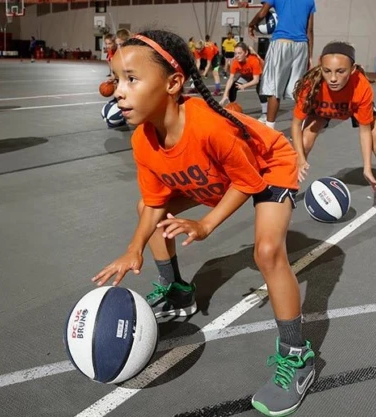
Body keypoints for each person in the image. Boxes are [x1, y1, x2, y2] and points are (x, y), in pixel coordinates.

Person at [92, 29, 315, 417]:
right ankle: (179, 292)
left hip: (268, 165)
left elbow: (248, 182)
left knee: (266, 252)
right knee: (147, 208)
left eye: (131, 78)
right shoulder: (143, 140)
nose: (118, 91)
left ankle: (298, 358)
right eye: (116, 78)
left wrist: (206, 225)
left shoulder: (209, 125)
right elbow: (154, 203)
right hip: (213, 174)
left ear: (174, 83)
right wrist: (133, 249)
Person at [291, 41, 376, 229]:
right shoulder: (311, 86)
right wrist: (299, 160)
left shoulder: (361, 87)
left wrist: (366, 168)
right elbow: (296, 124)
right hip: (324, 109)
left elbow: (364, 130)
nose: (332, 78)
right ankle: (287, 190)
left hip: (351, 108)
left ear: (353, 69)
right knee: (304, 141)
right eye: (327, 71)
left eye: (340, 71)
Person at [249, 0, 315, 127]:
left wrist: (252, 24)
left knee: (274, 89)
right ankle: (299, 128)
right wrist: (309, 56)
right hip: (301, 46)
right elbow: (310, 30)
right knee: (298, 90)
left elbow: (262, 13)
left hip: (281, 42)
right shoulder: (309, 0)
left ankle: (270, 129)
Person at [219, 42, 268, 117]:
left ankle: (265, 114)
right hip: (247, 75)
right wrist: (225, 95)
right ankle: (231, 109)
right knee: (233, 87)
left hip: (260, 74)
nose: (237, 56)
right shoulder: (235, 62)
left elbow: (256, 80)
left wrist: (244, 85)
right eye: (235, 53)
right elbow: (230, 79)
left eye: (239, 53)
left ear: (246, 53)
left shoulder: (253, 60)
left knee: (260, 89)